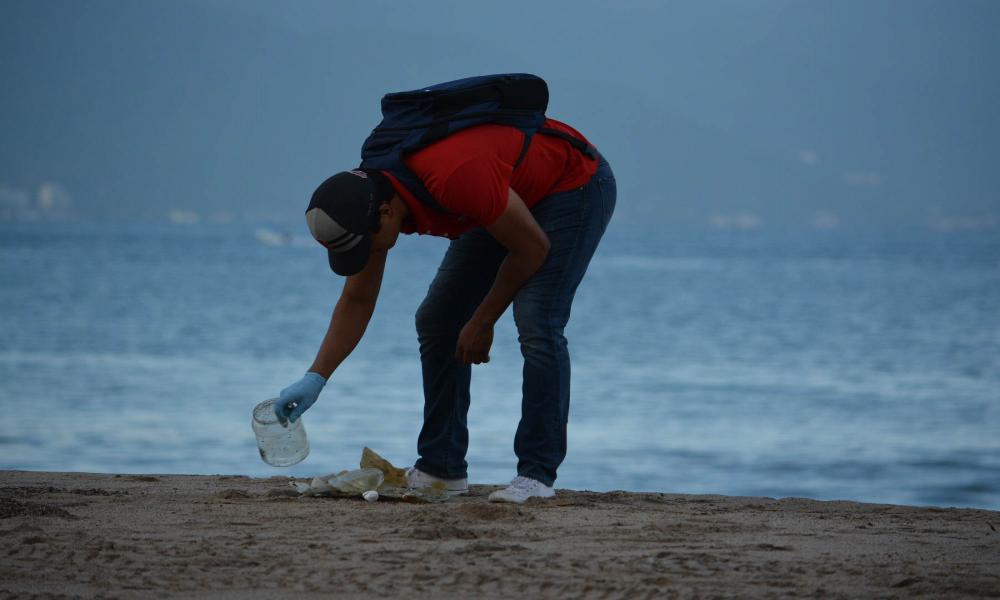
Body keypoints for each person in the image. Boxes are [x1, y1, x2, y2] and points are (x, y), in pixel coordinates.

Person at [276, 115, 616, 503]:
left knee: (537, 319)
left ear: (386, 214)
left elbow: (532, 249)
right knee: (437, 321)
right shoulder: (368, 204)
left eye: (365, 248)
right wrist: (316, 377)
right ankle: (442, 468)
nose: (368, 255)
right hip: (502, 195)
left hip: (573, 184)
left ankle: (536, 476)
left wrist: (483, 321)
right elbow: (357, 299)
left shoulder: (454, 180)